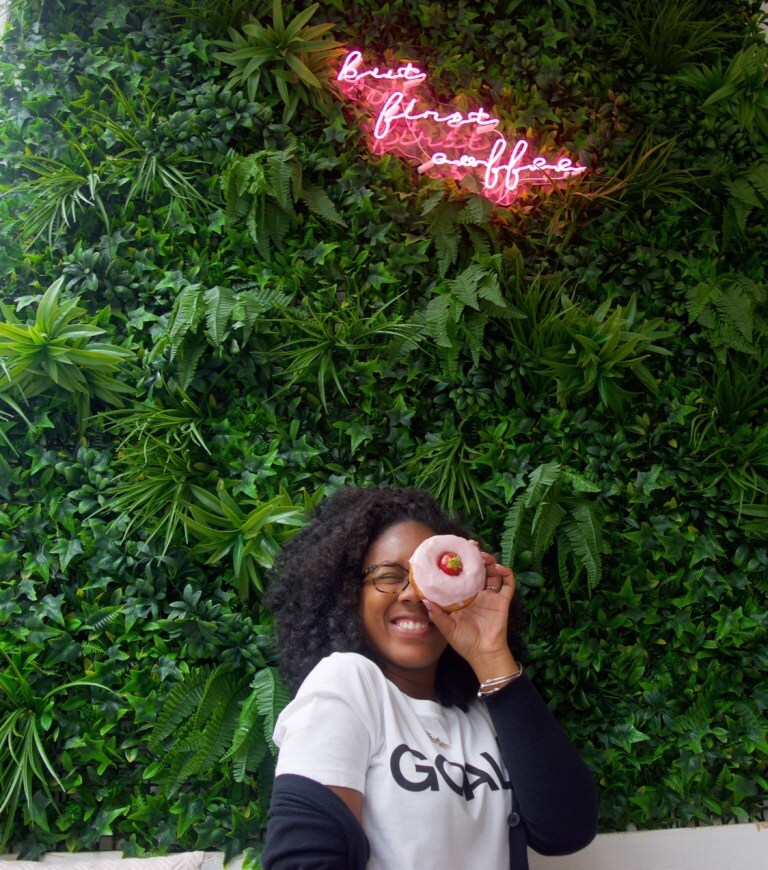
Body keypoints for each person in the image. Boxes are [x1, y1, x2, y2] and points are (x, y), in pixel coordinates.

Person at [262, 486, 599, 869]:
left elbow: (565, 831)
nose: (414, 595)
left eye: (430, 578)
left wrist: (491, 654)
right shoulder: (348, 685)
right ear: (349, 593)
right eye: (390, 576)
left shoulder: (481, 712)